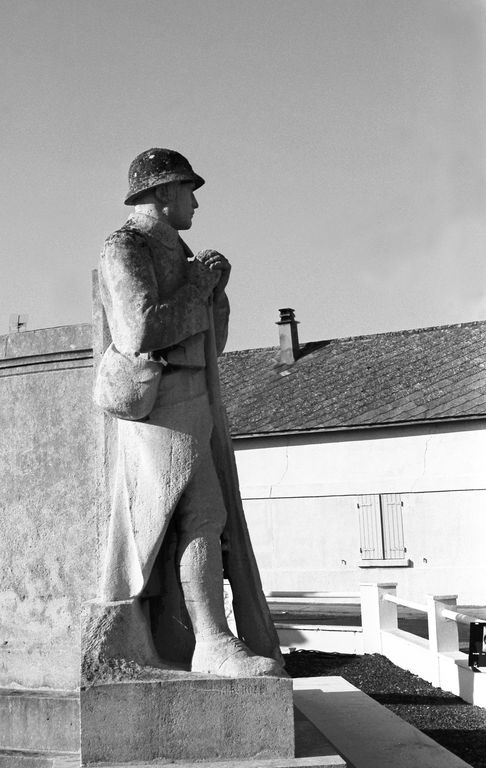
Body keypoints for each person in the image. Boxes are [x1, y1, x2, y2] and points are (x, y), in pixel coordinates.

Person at [93, 148, 285, 678]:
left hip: (195, 398)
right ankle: (212, 641)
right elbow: (139, 331)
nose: (196, 201)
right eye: (188, 189)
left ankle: (207, 639)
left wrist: (215, 297)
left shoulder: (181, 252)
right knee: (197, 513)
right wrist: (199, 286)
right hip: (159, 406)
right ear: (161, 194)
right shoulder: (124, 247)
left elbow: (210, 345)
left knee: (204, 516)